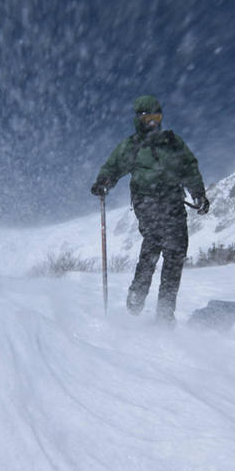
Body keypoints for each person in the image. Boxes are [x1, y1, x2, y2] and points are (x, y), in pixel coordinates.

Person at [91, 94, 209, 322]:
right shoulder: (133, 145)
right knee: (156, 241)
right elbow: (113, 166)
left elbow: (189, 168)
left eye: (157, 116)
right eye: (148, 118)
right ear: (139, 119)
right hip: (147, 201)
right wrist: (104, 181)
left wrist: (198, 193)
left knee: (175, 253)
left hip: (173, 202)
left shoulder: (173, 142)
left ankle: (165, 311)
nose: (153, 122)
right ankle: (138, 294)